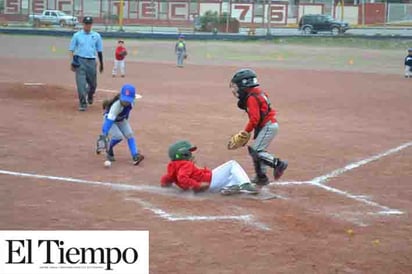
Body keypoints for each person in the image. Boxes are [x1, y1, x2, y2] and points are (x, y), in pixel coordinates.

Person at [229, 68, 288, 186]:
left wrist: (245, 132)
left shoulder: (252, 97)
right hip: (266, 125)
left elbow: (255, 119)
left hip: (268, 125)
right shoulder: (256, 93)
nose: (235, 90)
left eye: (236, 86)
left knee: (256, 151)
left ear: (244, 84)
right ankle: (261, 177)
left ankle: (278, 164)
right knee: (256, 150)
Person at [160, 140, 258, 195]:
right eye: (189, 151)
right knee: (232, 164)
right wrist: (197, 185)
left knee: (231, 177)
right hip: (210, 181)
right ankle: (245, 185)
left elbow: (167, 178)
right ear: (182, 154)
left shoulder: (174, 166)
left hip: (209, 183)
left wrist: (165, 185)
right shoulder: (186, 164)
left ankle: (229, 188)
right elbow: (182, 177)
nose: (190, 153)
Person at [99, 84, 144, 165]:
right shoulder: (116, 106)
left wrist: (126, 121)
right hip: (110, 121)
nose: (125, 102)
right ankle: (109, 148)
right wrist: (104, 134)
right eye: (124, 99)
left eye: (128, 100)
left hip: (121, 119)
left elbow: (127, 112)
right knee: (118, 136)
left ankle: (135, 155)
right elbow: (109, 121)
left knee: (129, 134)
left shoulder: (132, 102)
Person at [69, 16, 104, 111]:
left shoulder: (96, 36)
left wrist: (101, 64)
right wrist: (72, 62)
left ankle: (90, 94)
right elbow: (71, 50)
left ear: (91, 25)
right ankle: (83, 103)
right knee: (81, 84)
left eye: (89, 24)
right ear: (83, 24)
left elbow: (99, 51)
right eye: (86, 24)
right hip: (80, 61)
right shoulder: (77, 35)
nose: (88, 26)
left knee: (93, 84)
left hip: (92, 61)